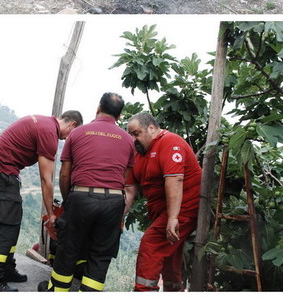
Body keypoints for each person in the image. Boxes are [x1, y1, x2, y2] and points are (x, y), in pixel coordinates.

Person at [0, 110, 84, 292]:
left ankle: (6, 268)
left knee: (12, 221)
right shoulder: (49, 133)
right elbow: (46, 179)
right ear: (72, 125)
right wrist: (51, 213)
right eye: (70, 135)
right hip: (2, 170)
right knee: (7, 225)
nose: (67, 140)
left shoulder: (44, 123)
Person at [41, 94, 134, 292]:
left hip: (82, 197)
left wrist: (69, 201)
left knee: (69, 248)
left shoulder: (78, 133)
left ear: (98, 107)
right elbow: (124, 179)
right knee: (100, 255)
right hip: (114, 201)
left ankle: (57, 291)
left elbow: (65, 174)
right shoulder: (127, 140)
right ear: (119, 116)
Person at [125, 112, 202, 292]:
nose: (133, 139)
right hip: (161, 211)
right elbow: (129, 191)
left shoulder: (170, 142)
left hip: (184, 207)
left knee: (150, 244)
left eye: (136, 133)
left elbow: (175, 180)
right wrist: (120, 216)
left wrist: (173, 217)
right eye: (130, 134)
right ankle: (174, 290)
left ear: (151, 128)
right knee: (170, 253)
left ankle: (143, 292)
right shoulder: (138, 154)